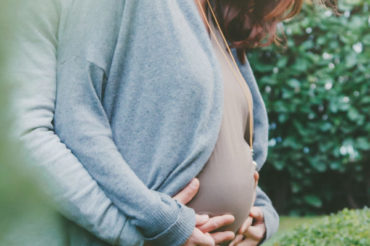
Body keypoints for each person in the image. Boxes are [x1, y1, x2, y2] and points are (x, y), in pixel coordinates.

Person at [10, 0, 336, 244]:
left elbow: (223, 142)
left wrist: (262, 216)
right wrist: (161, 222)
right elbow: (77, 121)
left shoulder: (210, 15)